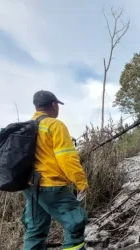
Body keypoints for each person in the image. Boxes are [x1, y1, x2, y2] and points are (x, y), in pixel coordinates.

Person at [22, 90, 88, 250]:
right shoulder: (54, 125)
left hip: (29, 187)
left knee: (35, 229)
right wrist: (81, 182)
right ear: (53, 105)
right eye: (57, 105)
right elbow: (66, 158)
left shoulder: (26, 127)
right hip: (50, 185)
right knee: (76, 221)